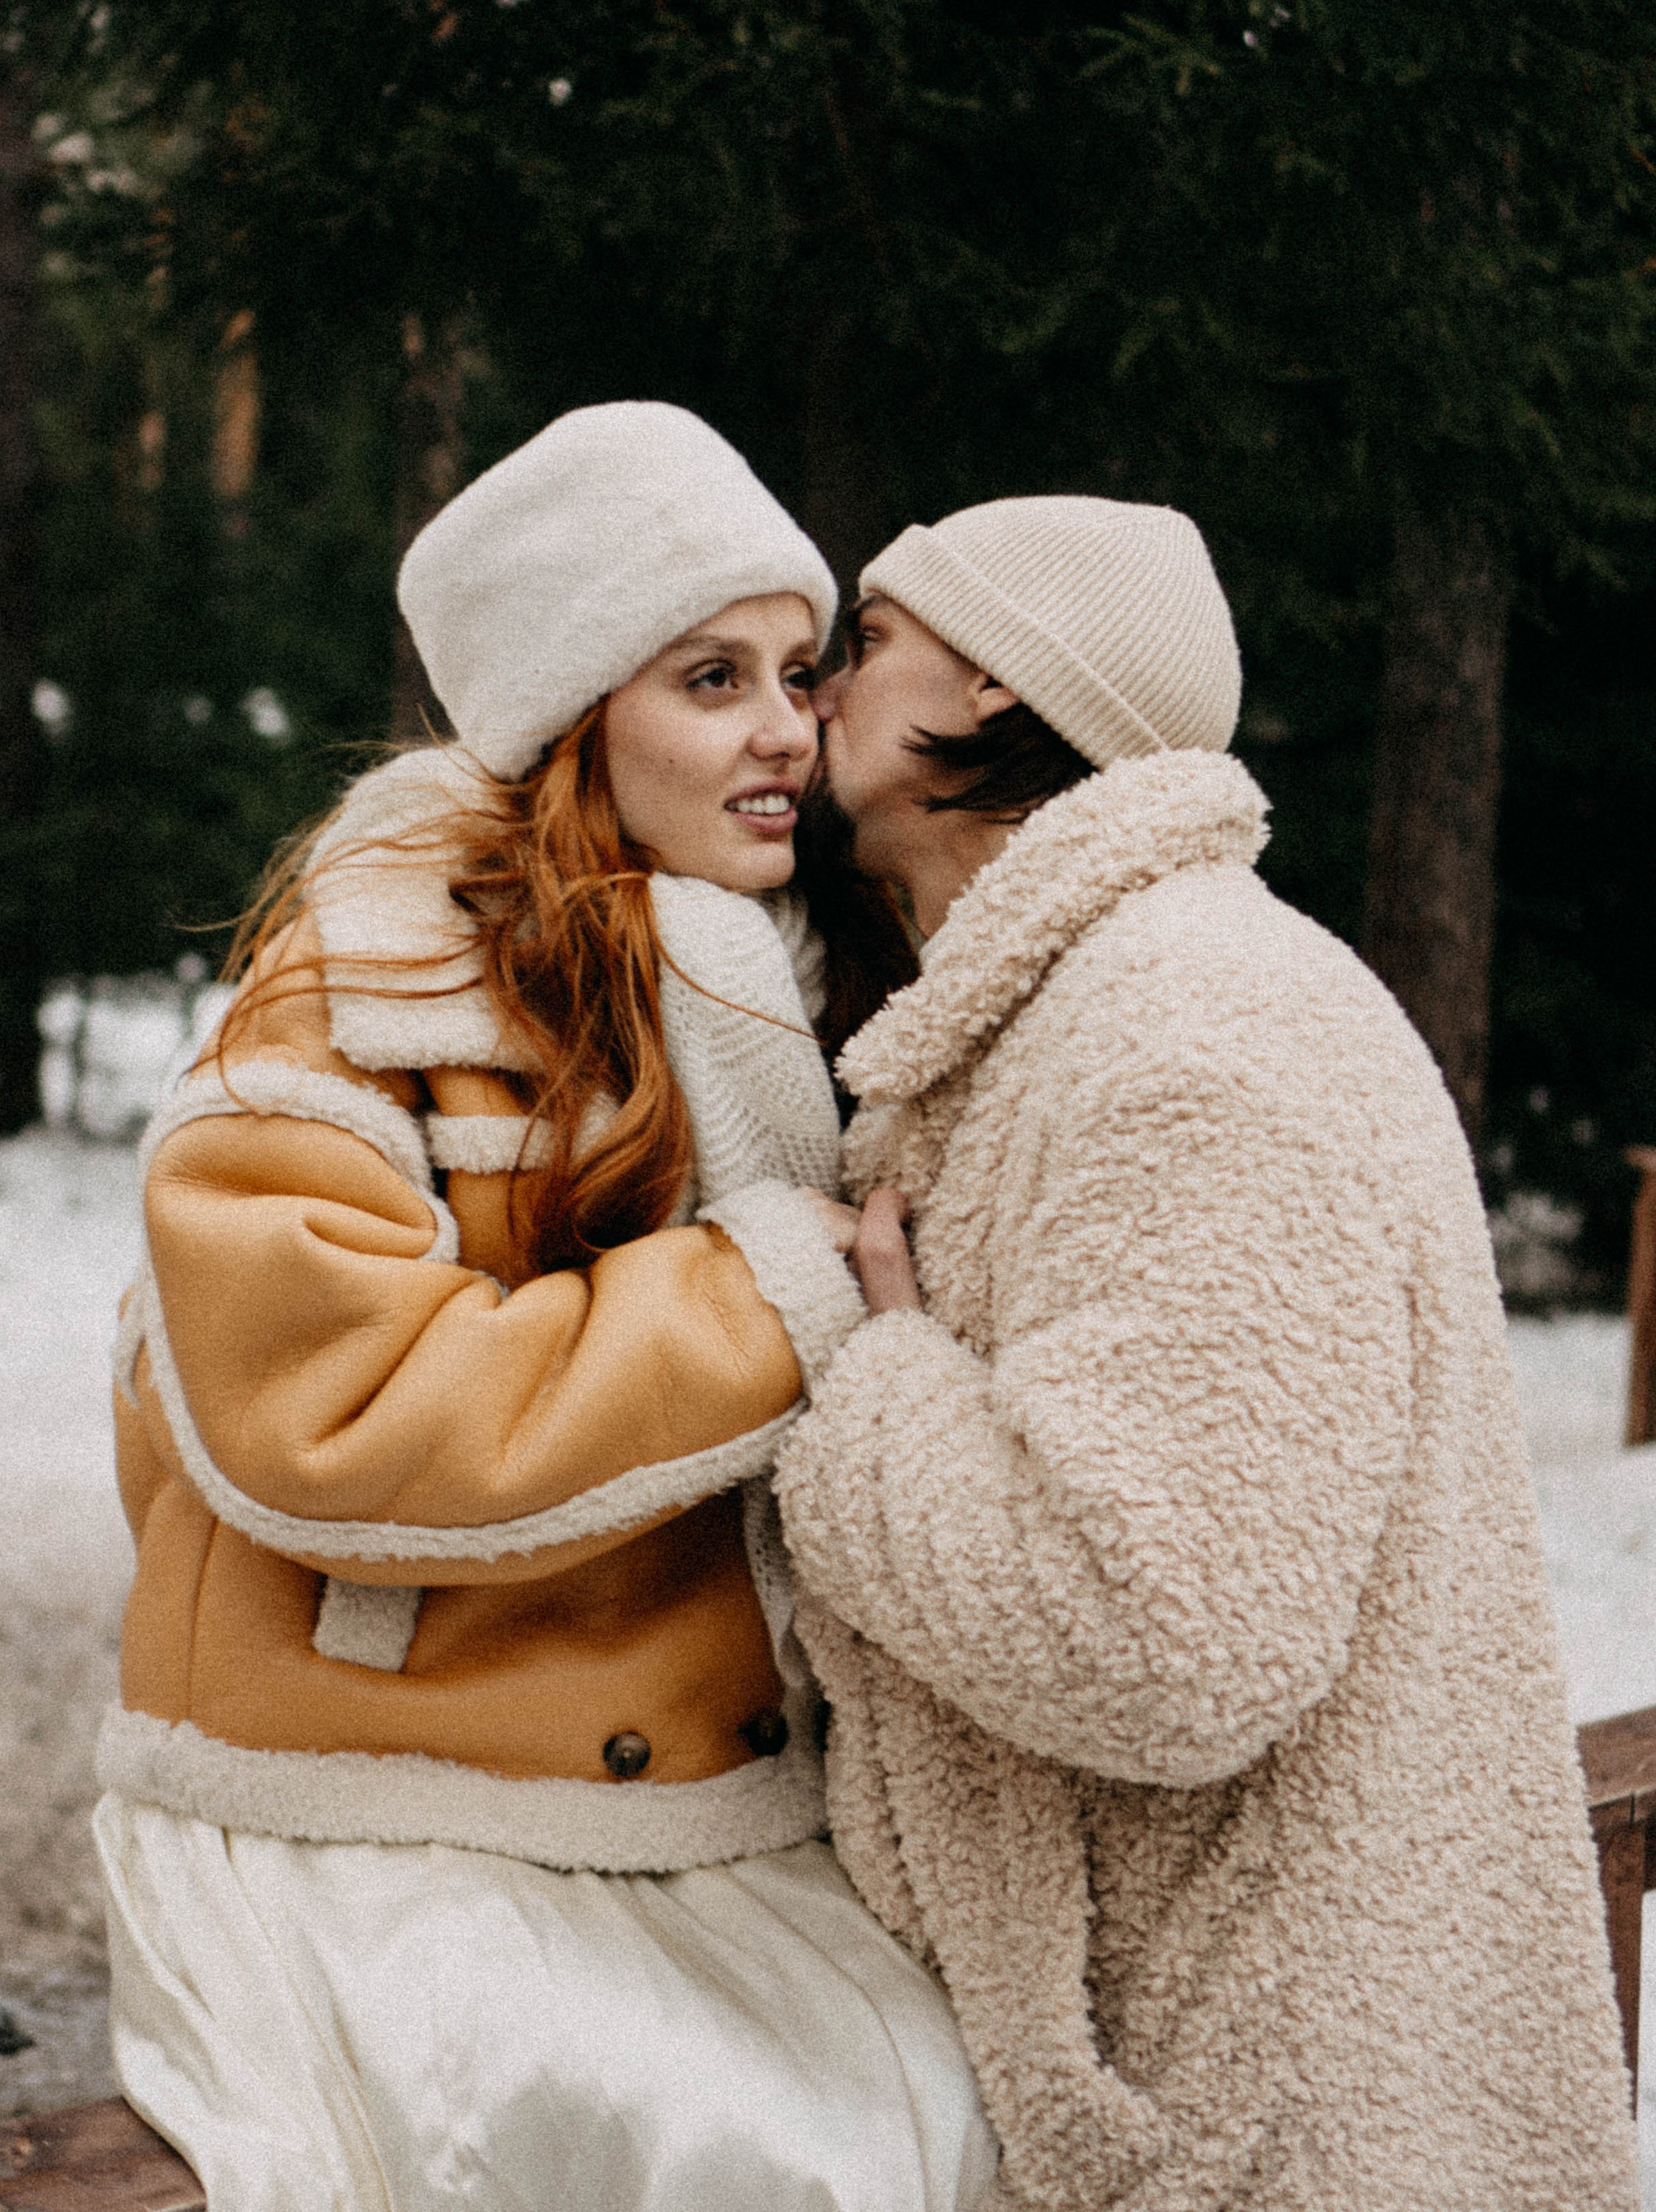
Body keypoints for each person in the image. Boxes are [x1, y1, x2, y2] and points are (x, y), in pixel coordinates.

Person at [94, 402, 997, 2212]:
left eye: (800, 669)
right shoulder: (365, 987)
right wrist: (768, 1293)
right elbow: (326, 1409)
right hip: (383, 1793)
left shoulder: (778, 977)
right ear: (575, 714)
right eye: (708, 675)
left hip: (698, 1792)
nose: (781, 727)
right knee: (736, 2151)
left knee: (957, 2115)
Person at [776, 495, 1639, 2212]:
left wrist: (866, 1380)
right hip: (1226, 2082)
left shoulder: (1194, 1023)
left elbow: (1166, 1635)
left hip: (1298, 2118)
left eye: (868, 639)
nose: (811, 685)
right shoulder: (1085, 1006)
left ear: (1013, 690)